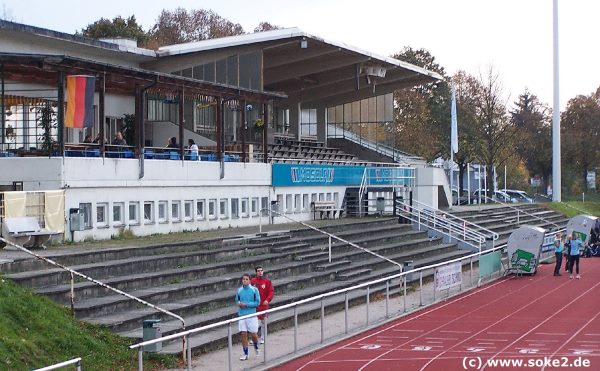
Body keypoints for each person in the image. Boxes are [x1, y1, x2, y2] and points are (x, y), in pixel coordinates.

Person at [236, 273, 260, 360]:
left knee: (253, 334)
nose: (244, 280)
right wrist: (239, 304)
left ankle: (256, 347)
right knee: (243, 334)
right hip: (242, 315)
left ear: (249, 280)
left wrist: (246, 305)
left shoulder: (254, 290)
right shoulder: (239, 290)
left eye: (246, 279)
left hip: (252, 315)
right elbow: (237, 300)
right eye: (243, 279)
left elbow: (257, 302)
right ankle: (245, 353)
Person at [251, 265, 274, 344]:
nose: (260, 272)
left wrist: (268, 300)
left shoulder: (267, 281)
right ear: (256, 272)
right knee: (254, 322)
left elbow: (271, 292)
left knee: (263, 322)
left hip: (264, 305)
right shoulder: (253, 281)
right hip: (255, 305)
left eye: (261, 270)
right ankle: (254, 337)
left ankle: (263, 337)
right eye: (258, 271)